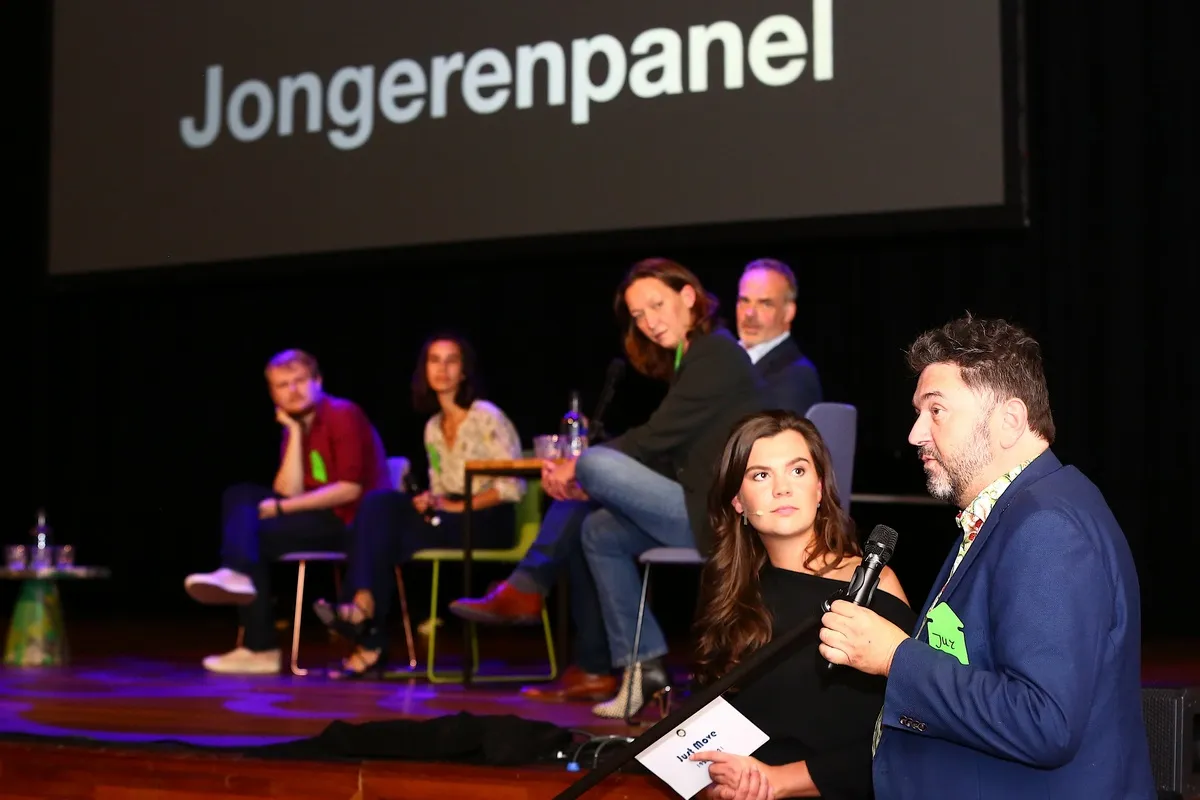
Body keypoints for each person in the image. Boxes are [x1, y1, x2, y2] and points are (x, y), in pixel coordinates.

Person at [817, 315, 1155, 799]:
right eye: (918, 412)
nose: (915, 434)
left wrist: (895, 658)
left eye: (936, 411)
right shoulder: (1012, 508)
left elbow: (1045, 723)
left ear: (1010, 420)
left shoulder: (1047, 527)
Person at [689, 410, 913, 800]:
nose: (782, 489)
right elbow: (710, 733)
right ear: (738, 501)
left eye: (797, 471)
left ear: (819, 487)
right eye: (761, 475)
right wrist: (716, 784)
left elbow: (907, 731)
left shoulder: (871, 585)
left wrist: (777, 781)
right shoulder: (729, 594)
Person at [576, 258, 764, 719]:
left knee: (592, 463)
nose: (649, 322)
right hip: (693, 507)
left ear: (688, 297)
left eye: (656, 305)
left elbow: (656, 437)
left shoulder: (715, 352)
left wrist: (576, 468)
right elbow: (666, 449)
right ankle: (643, 669)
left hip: (717, 514)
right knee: (599, 531)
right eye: (638, 316)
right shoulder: (687, 357)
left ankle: (529, 578)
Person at [313, 332, 525, 678]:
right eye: (433, 360)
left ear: (464, 371)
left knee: (379, 534)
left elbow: (512, 486)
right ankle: (365, 615)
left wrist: (457, 508)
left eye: (451, 360)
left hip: (490, 518)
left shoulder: (485, 415)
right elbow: (442, 486)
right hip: (450, 516)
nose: (441, 369)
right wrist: (432, 500)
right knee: (379, 508)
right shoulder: (432, 428)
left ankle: (367, 632)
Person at [184, 349, 391, 674]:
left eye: (300, 381)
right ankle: (258, 643)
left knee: (249, 531)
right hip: (317, 519)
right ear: (272, 393)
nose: (292, 391)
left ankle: (258, 642)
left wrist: (282, 508)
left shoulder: (342, 413)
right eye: (282, 385)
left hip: (353, 524)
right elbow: (289, 489)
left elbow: (349, 489)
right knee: (242, 501)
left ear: (318, 382)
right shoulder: (296, 427)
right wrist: (294, 434)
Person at [736, 259, 823, 415]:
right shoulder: (722, 359)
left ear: (788, 312)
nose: (749, 314)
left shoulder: (797, 376)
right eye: (744, 301)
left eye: (765, 304)